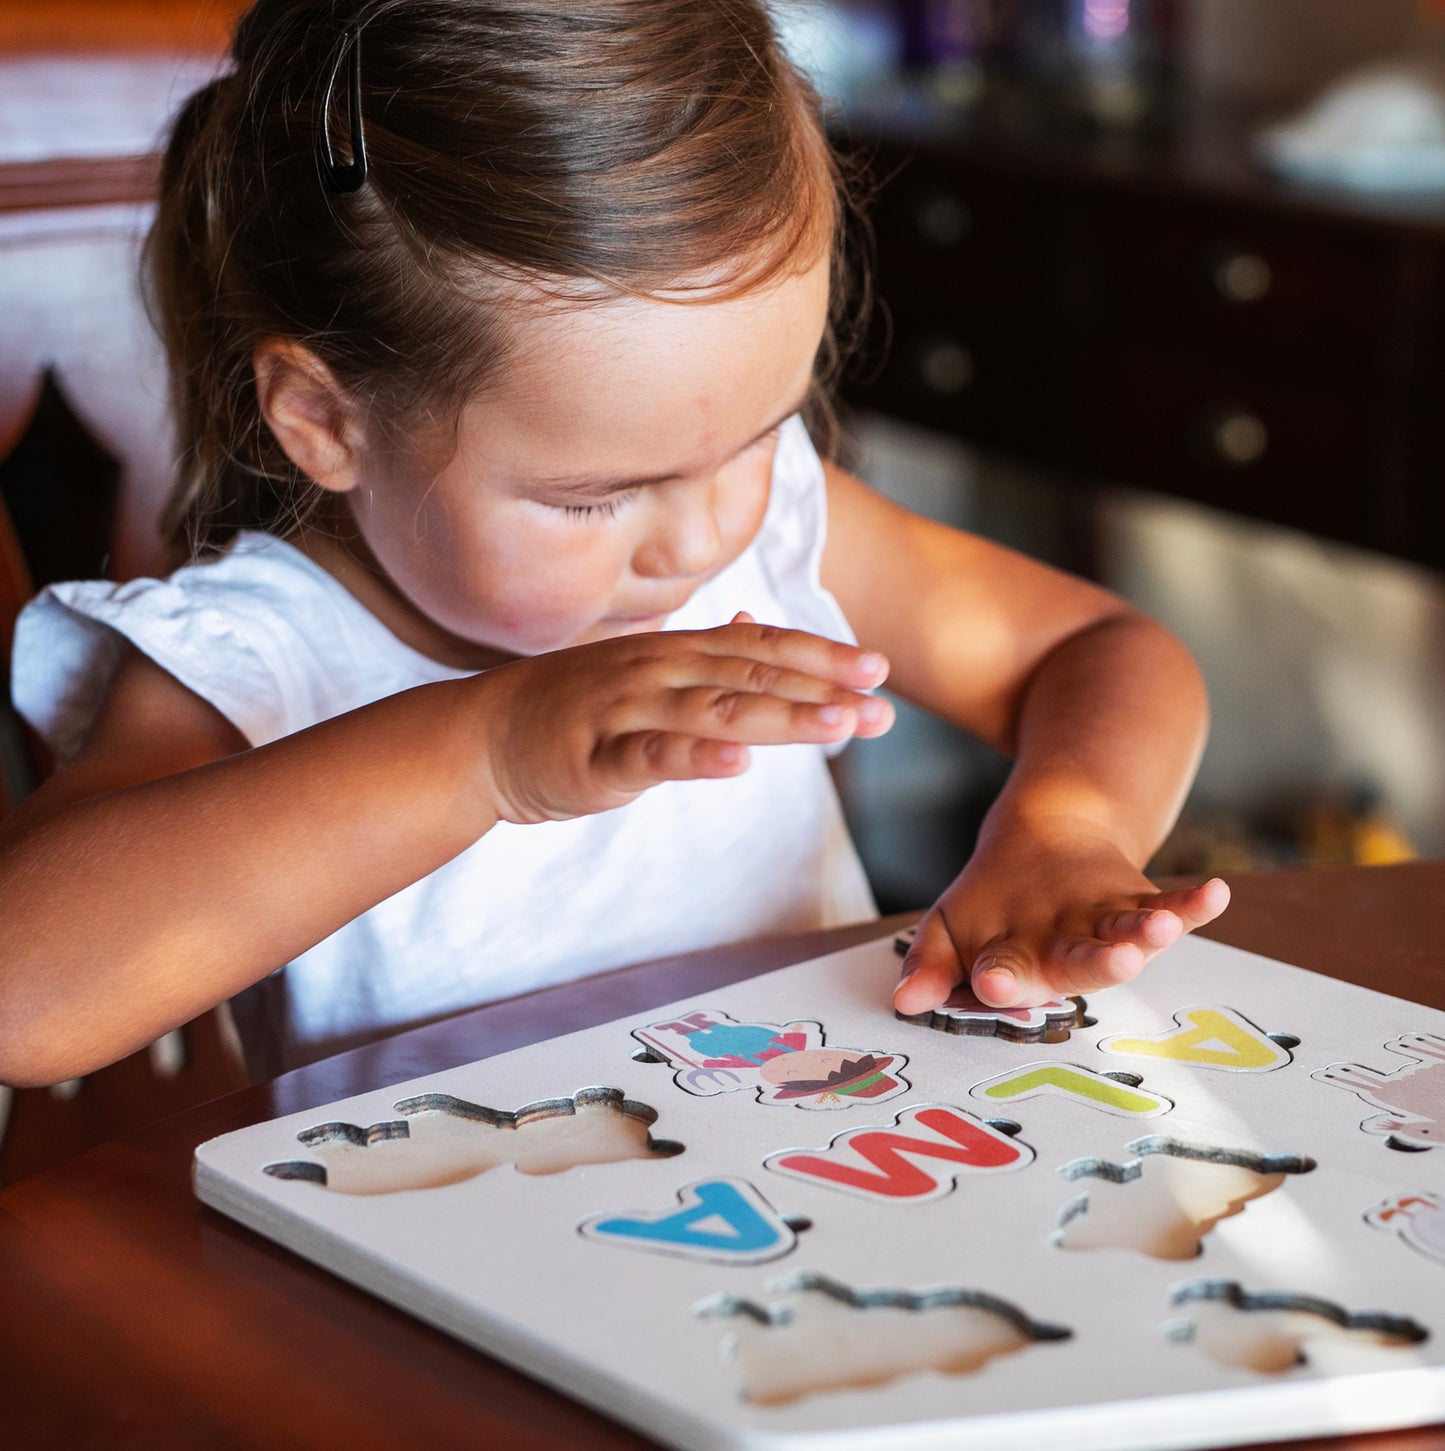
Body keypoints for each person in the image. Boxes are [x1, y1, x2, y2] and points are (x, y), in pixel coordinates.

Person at [0, 0, 1226, 1088]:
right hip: (438, 1297)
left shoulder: (775, 525)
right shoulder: (254, 651)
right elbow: (25, 997)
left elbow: (1099, 644)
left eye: (760, 432)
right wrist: (487, 751)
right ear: (326, 420)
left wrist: (1065, 824)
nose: (701, 536)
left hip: (831, 1188)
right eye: (594, 496)